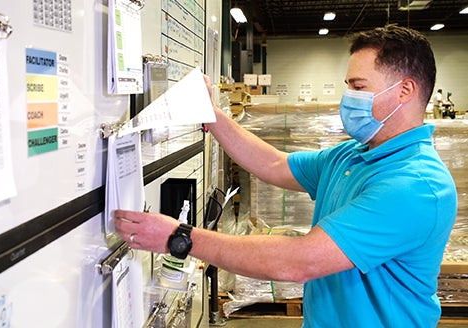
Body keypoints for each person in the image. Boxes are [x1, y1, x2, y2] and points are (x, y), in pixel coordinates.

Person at [114, 25, 457, 327]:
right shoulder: (353, 154)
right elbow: (275, 164)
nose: (348, 97)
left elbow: (299, 262)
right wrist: (212, 115)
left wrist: (181, 237)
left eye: (358, 85)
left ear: (405, 90)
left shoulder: (415, 185)